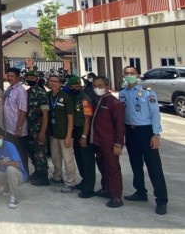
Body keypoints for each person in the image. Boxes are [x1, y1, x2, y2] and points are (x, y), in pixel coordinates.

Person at [119, 66, 168, 215]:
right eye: (126, 74)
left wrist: (156, 134)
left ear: (137, 75)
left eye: (131, 74)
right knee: (135, 163)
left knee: (153, 166)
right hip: (130, 131)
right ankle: (140, 191)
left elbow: (155, 114)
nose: (129, 76)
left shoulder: (147, 92)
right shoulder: (122, 93)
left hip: (145, 132)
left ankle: (161, 199)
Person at [91, 76, 125, 208]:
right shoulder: (100, 100)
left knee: (113, 169)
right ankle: (106, 189)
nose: (97, 88)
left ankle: (116, 197)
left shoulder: (114, 104)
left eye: (100, 85)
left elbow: (120, 126)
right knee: (102, 166)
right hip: (99, 141)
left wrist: (118, 144)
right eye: (95, 86)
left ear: (106, 86)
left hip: (110, 143)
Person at [65, 76, 95, 198]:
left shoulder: (85, 99)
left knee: (87, 160)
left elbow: (87, 119)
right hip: (76, 131)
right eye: (73, 87)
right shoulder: (72, 97)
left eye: (78, 87)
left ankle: (89, 187)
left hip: (84, 132)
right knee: (79, 157)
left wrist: (84, 136)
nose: (76, 89)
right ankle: (84, 181)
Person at [47, 74, 76, 193]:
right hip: (54, 134)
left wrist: (69, 136)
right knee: (55, 158)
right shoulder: (48, 96)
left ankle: (70, 182)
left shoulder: (66, 97)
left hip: (64, 134)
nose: (53, 83)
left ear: (60, 84)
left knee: (68, 159)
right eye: (51, 81)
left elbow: (70, 117)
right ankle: (57, 177)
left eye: (56, 81)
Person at [0, 128, 28, 209]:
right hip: (4, 174)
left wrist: (1, 163)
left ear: (3, 138)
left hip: (19, 175)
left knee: (10, 169)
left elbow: (16, 164)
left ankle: (13, 197)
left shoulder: (10, 146)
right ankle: (7, 186)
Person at [23, 71, 50, 186]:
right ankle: (37, 172)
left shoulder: (41, 94)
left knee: (40, 153)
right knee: (33, 153)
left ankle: (44, 177)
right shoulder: (27, 92)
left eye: (32, 77)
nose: (30, 79)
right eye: (28, 77)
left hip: (38, 129)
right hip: (29, 129)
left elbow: (45, 115)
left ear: (37, 79)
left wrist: (43, 132)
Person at [3, 67, 29, 177]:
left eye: (12, 76)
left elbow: (23, 110)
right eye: (8, 76)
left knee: (21, 153)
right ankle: (15, 174)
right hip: (8, 129)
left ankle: (24, 174)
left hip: (17, 130)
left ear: (18, 77)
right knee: (12, 152)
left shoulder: (21, 91)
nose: (9, 78)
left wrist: (19, 128)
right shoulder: (9, 88)